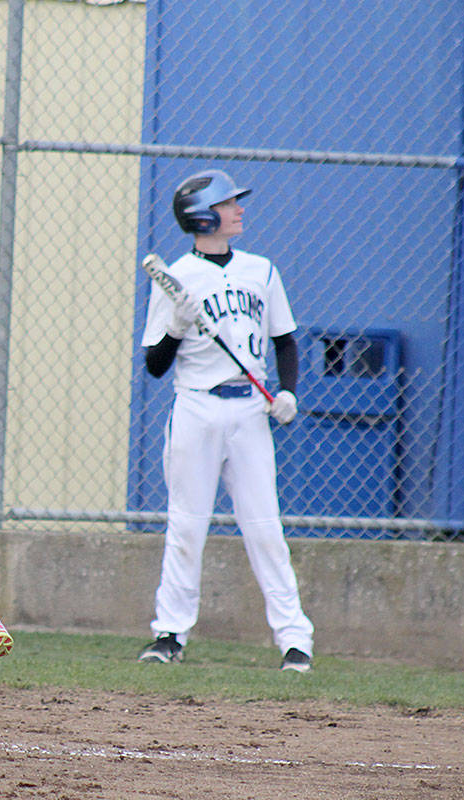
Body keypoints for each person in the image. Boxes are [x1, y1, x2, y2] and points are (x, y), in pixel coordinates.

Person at [137, 169, 314, 673]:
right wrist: (175, 325)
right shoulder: (177, 277)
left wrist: (287, 392)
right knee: (187, 526)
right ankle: (170, 634)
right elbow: (154, 364)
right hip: (196, 408)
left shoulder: (261, 270)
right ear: (202, 215)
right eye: (230, 203)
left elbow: (284, 338)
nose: (239, 210)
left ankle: (294, 639)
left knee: (264, 528)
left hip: (250, 412)